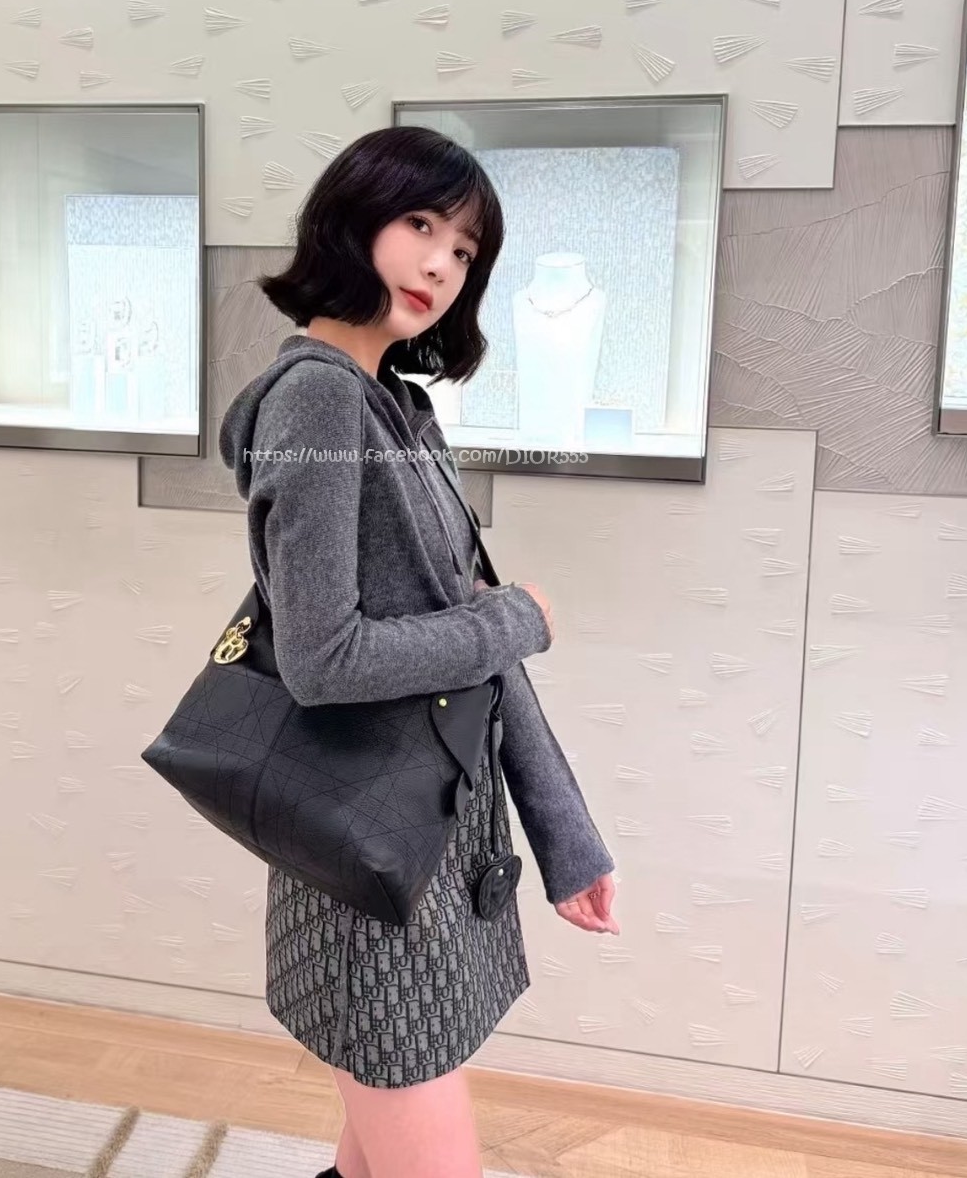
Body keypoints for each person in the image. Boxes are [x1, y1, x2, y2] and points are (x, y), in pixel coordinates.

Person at [218, 126, 619, 1178]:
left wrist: (566, 837)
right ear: (352, 219)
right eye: (421, 224)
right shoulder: (315, 399)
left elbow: (471, 639)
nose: (442, 264)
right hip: (372, 855)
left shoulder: (398, 407)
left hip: (428, 838)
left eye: (466, 250)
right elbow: (324, 659)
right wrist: (518, 616)